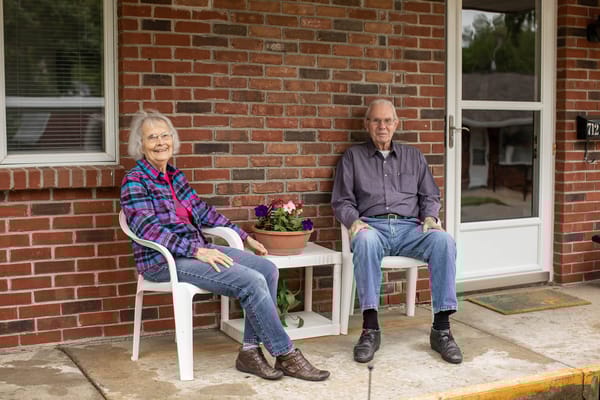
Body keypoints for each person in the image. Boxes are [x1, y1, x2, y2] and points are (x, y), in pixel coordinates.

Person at [120, 110, 330, 381]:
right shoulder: (135, 181)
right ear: (140, 145)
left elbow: (203, 211)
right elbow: (147, 229)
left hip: (196, 251)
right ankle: (286, 354)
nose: (161, 142)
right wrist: (197, 251)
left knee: (267, 270)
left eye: (165, 135)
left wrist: (244, 237)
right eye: (152, 137)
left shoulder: (174, 176)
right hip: (163, 262)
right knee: (251, 282)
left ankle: (250, 352)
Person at [331, 99, 462, 365]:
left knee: (444, 241)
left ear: (396, 124)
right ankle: (370, 329)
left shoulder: (414, 156)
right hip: (372, 226)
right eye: (376, 120)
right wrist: (353, 221)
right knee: (364, 242)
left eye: (387, 120)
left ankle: (442, 329)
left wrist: (430, 216)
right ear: (367, 124)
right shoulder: (353, 157)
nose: (382, 126)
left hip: (410, 229)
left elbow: (430, 194)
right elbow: (341, 200)